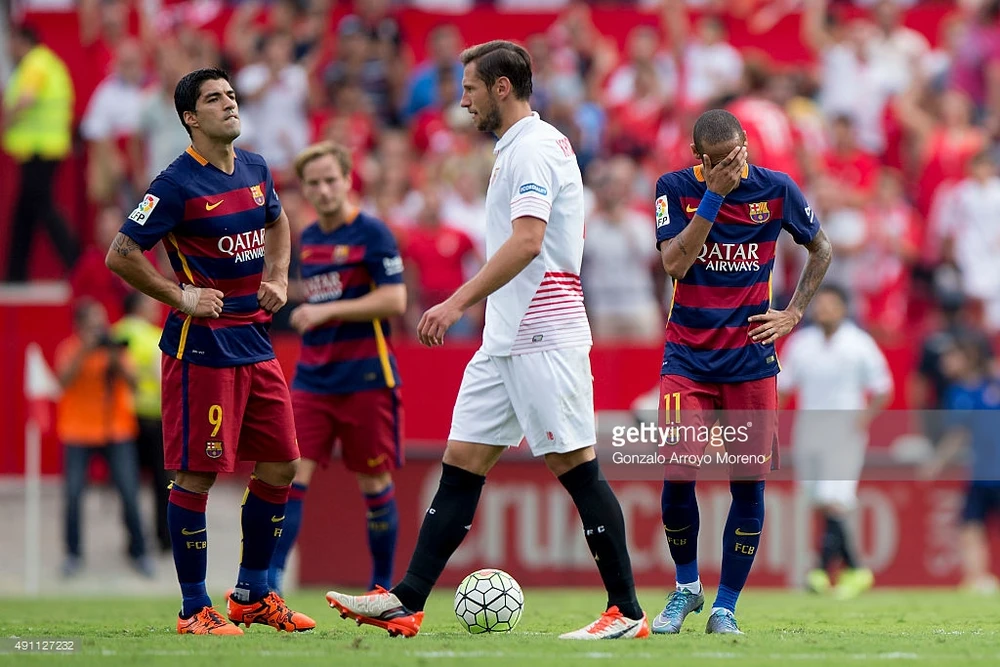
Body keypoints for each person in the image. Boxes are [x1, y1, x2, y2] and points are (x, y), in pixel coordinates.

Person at [326, 40, 649, 641]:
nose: (463, 101)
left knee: (575, 465)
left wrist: (454, 303)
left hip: (543, 331)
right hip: (505, 337)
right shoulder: (517, 148)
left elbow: (529, 241)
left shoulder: (532, 149)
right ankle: (408, 600)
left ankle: (626, 612)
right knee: (462, 463)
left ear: (502, 87)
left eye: (470, 88)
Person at [105, 67, 315, 635]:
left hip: (255, 340)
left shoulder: (255, 167)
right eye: (214, 99)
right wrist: (180, 296)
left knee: (281, 463)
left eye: (231, 95)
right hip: (202, 348)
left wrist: (278, 273)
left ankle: (251, 594)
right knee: (196, 475)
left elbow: (278, 220)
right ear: (189, 119)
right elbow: (120, 253)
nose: (229, 104)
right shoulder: (172, 185)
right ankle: (194, 607)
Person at [652, 108, 832, 634]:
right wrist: (714, 197)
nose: (737, 166)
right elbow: (674, 264)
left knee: (748, 486)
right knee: (677, 471)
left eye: (741, 154)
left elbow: (821, 247)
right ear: (700, 161)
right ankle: (687, 587)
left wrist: (794, 312)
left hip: (751, 361)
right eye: (723, 162)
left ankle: (726, 606)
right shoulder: (674, 188)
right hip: (687, 357)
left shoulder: (777, 190)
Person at [267, 141, 407, 595]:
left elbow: (395, 299)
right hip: (314, 377)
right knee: (289, 475)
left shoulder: (373, 233)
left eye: (331, 180)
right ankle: (271, 585)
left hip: (366, 377)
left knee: (374, 481)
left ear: (348, 180)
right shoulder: (308, 239)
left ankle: (382, 589)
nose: (324, 189)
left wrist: (327, 312)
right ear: (305, 189)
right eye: (314, 183)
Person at [778, 284, 893, 599]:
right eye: (820, 304)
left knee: (834, 498)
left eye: (830, 305)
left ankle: (822, 569)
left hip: (844, 431)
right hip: (809, 429)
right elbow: (784, 387)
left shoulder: (859, 344)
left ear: (844, 309)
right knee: (818, 500)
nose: (824, 310)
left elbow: (884, 388)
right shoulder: (801, 343)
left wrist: (863, 417)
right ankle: (851, 570)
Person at [55, 298, 151, 578]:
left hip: (116, 430)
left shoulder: (117, 347)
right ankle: (72, 554)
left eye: (101, 320)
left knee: (130, 493)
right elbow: (62, 382)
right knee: (72, 495)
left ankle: (139, 551)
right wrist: (85, 351)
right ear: (79, 326)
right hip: (77, 431)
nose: (98, 327)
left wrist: (114, 358)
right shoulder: (70, 349)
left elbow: (135, 384)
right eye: (92, 322)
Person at [922, 338, 1000, 594]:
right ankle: (976, 578)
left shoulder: (992, 384)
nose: (944, 362)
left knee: (972, 525)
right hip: (981, 473)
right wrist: (938, 461)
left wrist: (936, 462)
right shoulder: (957, 393)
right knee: (971, 526)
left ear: (966, 358)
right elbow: (958, 434)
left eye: (951, 356)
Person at [3, 24, 78, 282]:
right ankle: (15, 273)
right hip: (45, 148)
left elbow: (26, 99)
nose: (9, 49)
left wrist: (4, 123)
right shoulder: (48, 62)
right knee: (24, 211)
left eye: (12, 42)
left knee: (43, 209)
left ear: (23, 41)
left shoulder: (34, 64)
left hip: (39, 149)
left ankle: (75, 261)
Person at [114, 291, 172, 553]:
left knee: (128, 484)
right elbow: (164, 381)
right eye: (151, 305)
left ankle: (134, 542)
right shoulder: (153, 337)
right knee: (162, 484)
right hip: (154, 419)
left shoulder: (114, 335)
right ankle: (164, 539)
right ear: (139, 307)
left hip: (121, 420)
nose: (156, 309)